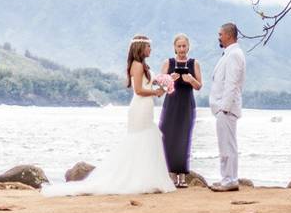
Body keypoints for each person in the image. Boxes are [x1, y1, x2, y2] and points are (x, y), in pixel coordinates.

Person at [42, 34, 176, 196]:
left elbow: (149, 86)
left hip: (146, 106)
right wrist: (156, 92)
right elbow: (139, 90)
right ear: (141, 48)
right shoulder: (137, 65)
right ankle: (136, 178)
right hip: (140, 107)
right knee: (140, 139)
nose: (150, 49)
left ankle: (143, 176)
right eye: (148, 46)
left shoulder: (143, 65)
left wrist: (166, 82)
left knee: (146, 139)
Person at [158, 33, 203, 188]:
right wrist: (170, 79)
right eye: (179, 46)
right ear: (174, 48)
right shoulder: (168, 62)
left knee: (184, 138)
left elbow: (199, 86)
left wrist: (191, 79)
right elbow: (160, 87)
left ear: (188, 47)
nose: (182, 49)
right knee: (168, 138)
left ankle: (182, 176)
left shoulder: (194, 63)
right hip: (171, 104)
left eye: (184, 46)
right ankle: (170, 175)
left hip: (186, 105)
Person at [208, 22, 246, 192]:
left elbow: (232, 83)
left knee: (228, 145)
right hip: (223, 108)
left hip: (226, 109)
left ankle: (230, 180)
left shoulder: (234, 55)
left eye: (220, 34)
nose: (219, 37)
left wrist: (224, 107)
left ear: (229, 35)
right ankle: (227, 178)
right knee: (225, 145)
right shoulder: (229, 54)